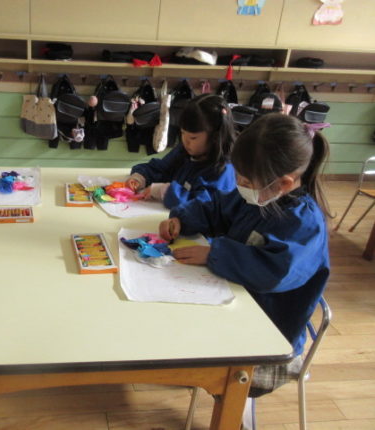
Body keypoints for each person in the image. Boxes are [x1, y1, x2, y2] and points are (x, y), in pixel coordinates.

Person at [159, 113, 331, 409]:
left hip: (268, 342)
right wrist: (182, 219)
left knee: (201, 357)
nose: (238, 184)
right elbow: (217, 208)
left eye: (245, 180)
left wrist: (215, 254)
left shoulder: (304, 223)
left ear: (284, 183)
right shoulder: (258, 194)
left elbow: (274, 272)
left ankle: (235, 415)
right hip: (235, 311)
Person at [126, 94, 236, 209]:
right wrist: (140, 177)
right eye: (183, 133)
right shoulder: (183, 151)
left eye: (193, 137)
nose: (185, 141)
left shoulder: (223, 170)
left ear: (215, 137)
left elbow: (205, 206)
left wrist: (165, 191)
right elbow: (161, 168)